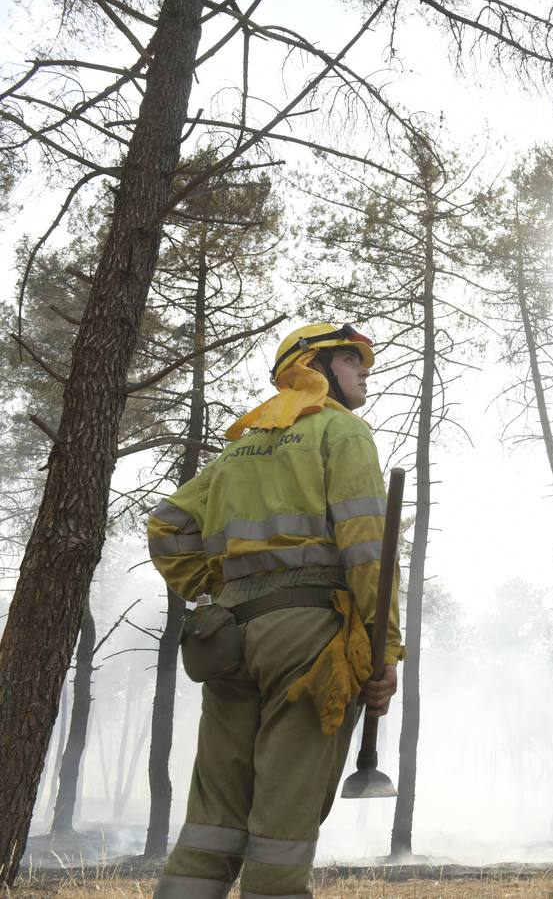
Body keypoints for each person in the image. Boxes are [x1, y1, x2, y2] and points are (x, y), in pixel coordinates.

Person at [147, 322, 404, 899]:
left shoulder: (241, 447)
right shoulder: (342, 432)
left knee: (214, 818)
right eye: (351, 359)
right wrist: (384, 649)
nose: (366, 369)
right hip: (308, 637)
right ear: (316, 366)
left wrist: (221, 588)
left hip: (228, 637)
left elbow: (166, 525)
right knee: (283, 820)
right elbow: (368, 549)